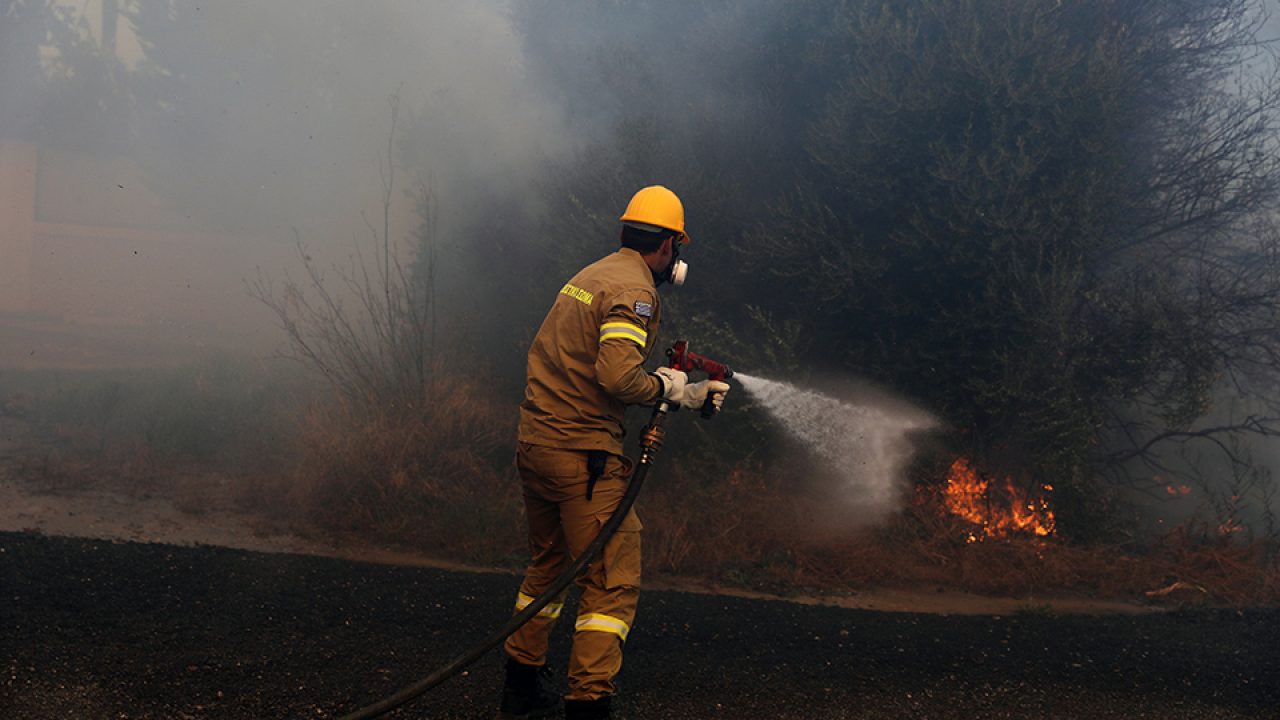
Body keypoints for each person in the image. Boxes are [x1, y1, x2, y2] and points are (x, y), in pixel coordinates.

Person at [498, 186, 731, 720]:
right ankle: (588, 706)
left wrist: (677, 390)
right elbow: (618, 377)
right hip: (583, 457)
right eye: (676, 246)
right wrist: (669, 389)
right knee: (610, 581)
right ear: (668, 245)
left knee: (548, 565)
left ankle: (521, 688)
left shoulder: (591, 275)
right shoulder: (634, 292)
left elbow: (588, 364)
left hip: (537, 444)